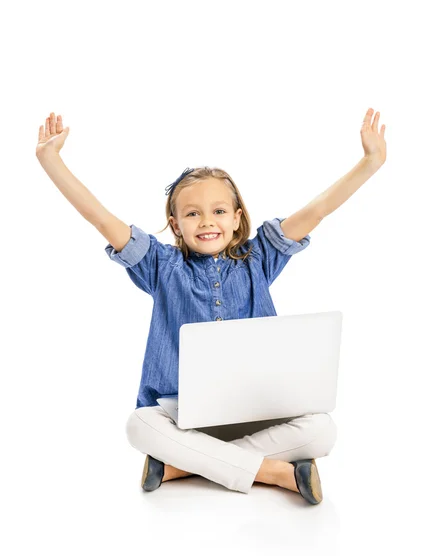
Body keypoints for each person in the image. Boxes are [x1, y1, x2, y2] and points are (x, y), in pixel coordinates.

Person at [36, 108, 386, 506]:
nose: (207, 221)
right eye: (192, 213)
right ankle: (273, 471)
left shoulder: (261, 257)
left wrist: (370, 162)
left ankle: (182, 466)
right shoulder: (160, 266)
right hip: (181, 414)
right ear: (176, 223)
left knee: (322, 430)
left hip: (256, 412)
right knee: (139, 425)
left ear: (237, 219)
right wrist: (51, 160)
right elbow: (100, 219)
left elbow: (317, 211)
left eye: (219, 211)